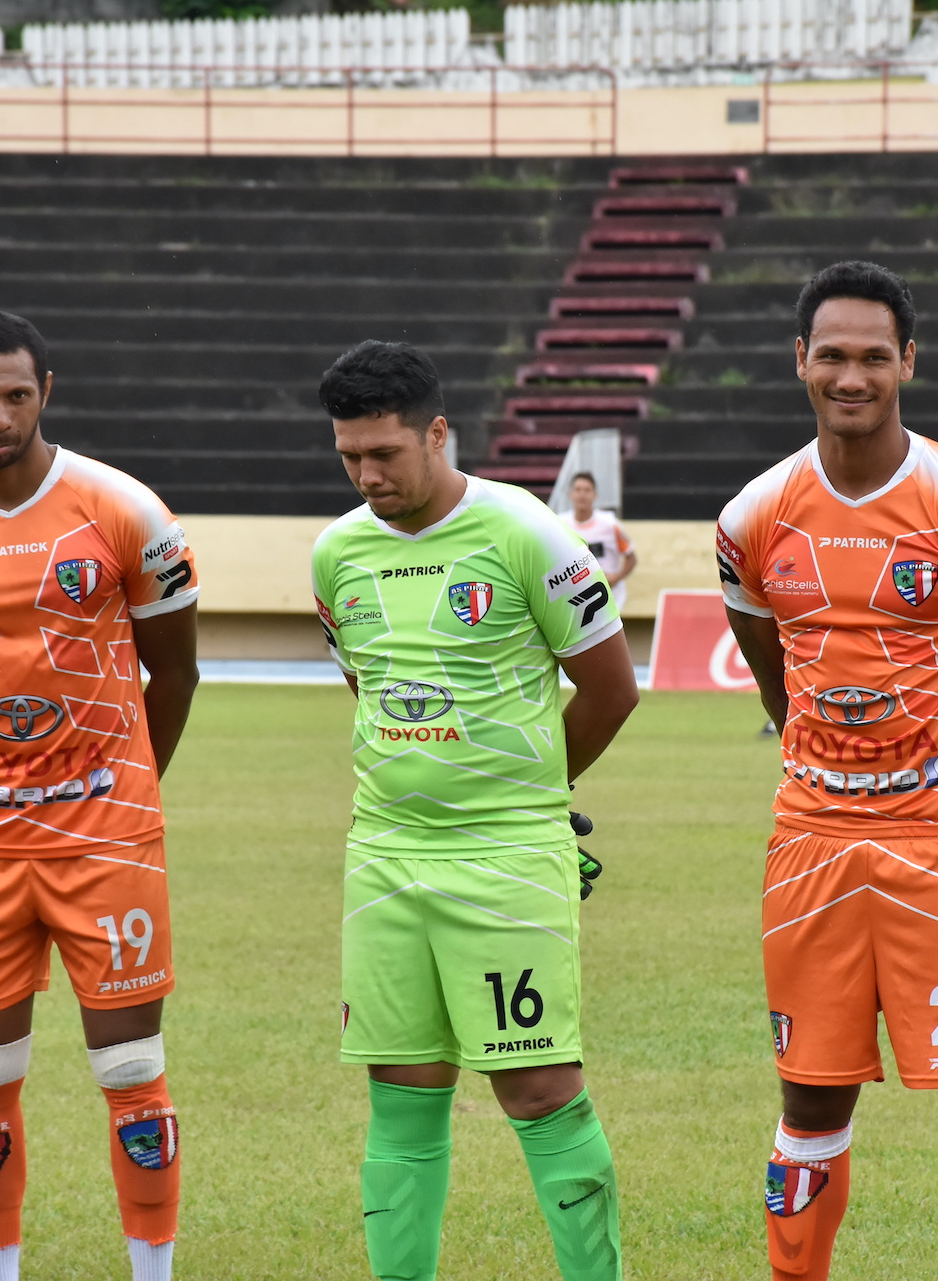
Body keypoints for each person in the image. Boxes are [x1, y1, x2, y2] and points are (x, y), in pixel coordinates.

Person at [717, 262, 938, 1281]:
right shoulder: (751, 518)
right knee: (808, 1098)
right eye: (832, 355)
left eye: (873, 355)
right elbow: (774, 671)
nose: (850, 374)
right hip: (809, 845)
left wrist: (932, 775)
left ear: (908, 360)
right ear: (800, 362)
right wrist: (837, 765)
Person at [0, 311, 200, 1281]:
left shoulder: (124, 508)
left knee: (131, 1067)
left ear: (46, 391)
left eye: (17, 394)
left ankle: (154, 1272)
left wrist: (129, 796)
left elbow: (174, 677)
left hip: (106, 823)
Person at [312, 340, 640, 1281]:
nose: (368, 475)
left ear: (438, 432)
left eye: (385, 453)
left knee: (539, 1089)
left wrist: (537, 806)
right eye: (350, 457)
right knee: (401, 1091)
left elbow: (610, 689)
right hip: (384, 856)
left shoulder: (525, 532)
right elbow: (368, 689)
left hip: (505, 857)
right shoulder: (337, 554)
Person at [557, 472, 637, 612]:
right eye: (578, 490)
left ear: (595, 495)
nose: (582, 495)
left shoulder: (610, 524)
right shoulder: (560, 525)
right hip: (575, 594)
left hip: (608, 594)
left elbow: (631, 558)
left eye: (587, 490)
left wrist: (617, 577)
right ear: (570, 494)